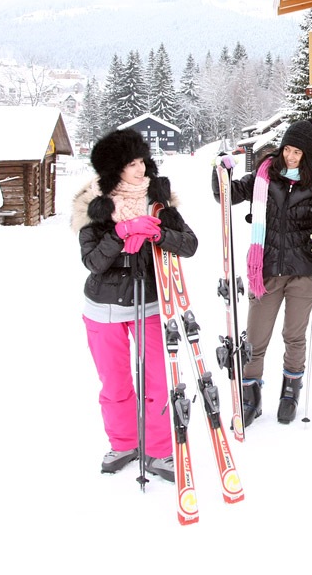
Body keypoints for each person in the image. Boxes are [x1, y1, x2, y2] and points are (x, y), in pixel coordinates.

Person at [72, 128, 199, 481]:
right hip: (104, 308)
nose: (140, 169)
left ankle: (159, 450)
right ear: (114, 168)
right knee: (115, 384)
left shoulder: (158, 200)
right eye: (131, 164)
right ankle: (124, 443)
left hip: (152, 303)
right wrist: (120, 234)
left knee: (157, 382)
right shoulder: (94, 205)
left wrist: (159, 233)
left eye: (142, 161)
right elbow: (93, 261)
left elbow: (189, 244)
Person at [213, 118, 312, 426]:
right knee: (255, 338)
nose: (291, 157)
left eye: (298, 152)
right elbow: (228, 194)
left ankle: (290, 392)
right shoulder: (264, 176)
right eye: (288, 150)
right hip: (266, 270)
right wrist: (220, 173)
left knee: (294, 336)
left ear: (307, 155)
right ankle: (250, 396)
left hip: (303, 271)